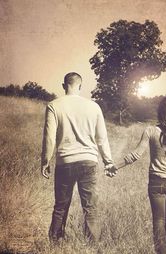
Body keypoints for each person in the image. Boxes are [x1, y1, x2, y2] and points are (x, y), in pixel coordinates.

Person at [41, 72, 116, 244]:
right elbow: (101, 138)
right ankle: (93, 247)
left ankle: (55, 244)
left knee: (61, 205)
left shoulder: (54, 105)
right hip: (88, 161)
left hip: (65, 162)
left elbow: (49, 137)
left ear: (63, 85)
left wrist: (45, 161)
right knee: (90, 207)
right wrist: (108, 161)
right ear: (80, 86)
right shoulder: (94, 106)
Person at [120, 96, 166, 254]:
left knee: (158, 219)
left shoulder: (150, 131)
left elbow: (136, 155)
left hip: (157, 181)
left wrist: (116, 166)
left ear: (160, 112)